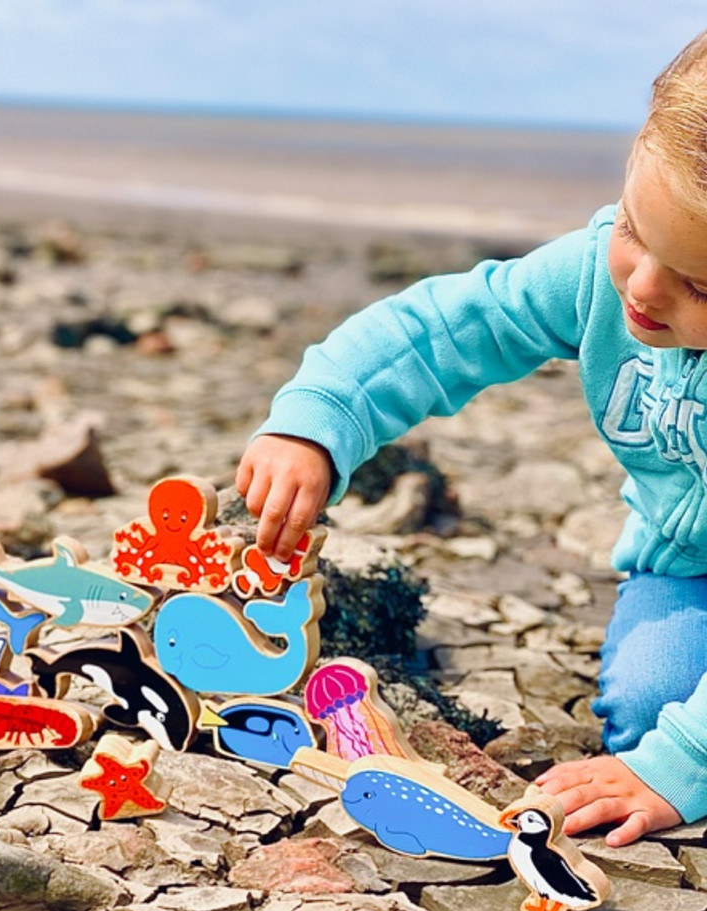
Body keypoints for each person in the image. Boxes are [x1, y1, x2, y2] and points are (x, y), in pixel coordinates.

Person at [236, 32, 707, 847]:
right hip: (686, 566)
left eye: (698, 281)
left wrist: (686, 761)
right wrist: (318, 418)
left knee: (677, 758)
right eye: (635, 228)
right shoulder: (604, 274)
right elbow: (446, 329)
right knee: (645, 715)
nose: (642, 286)